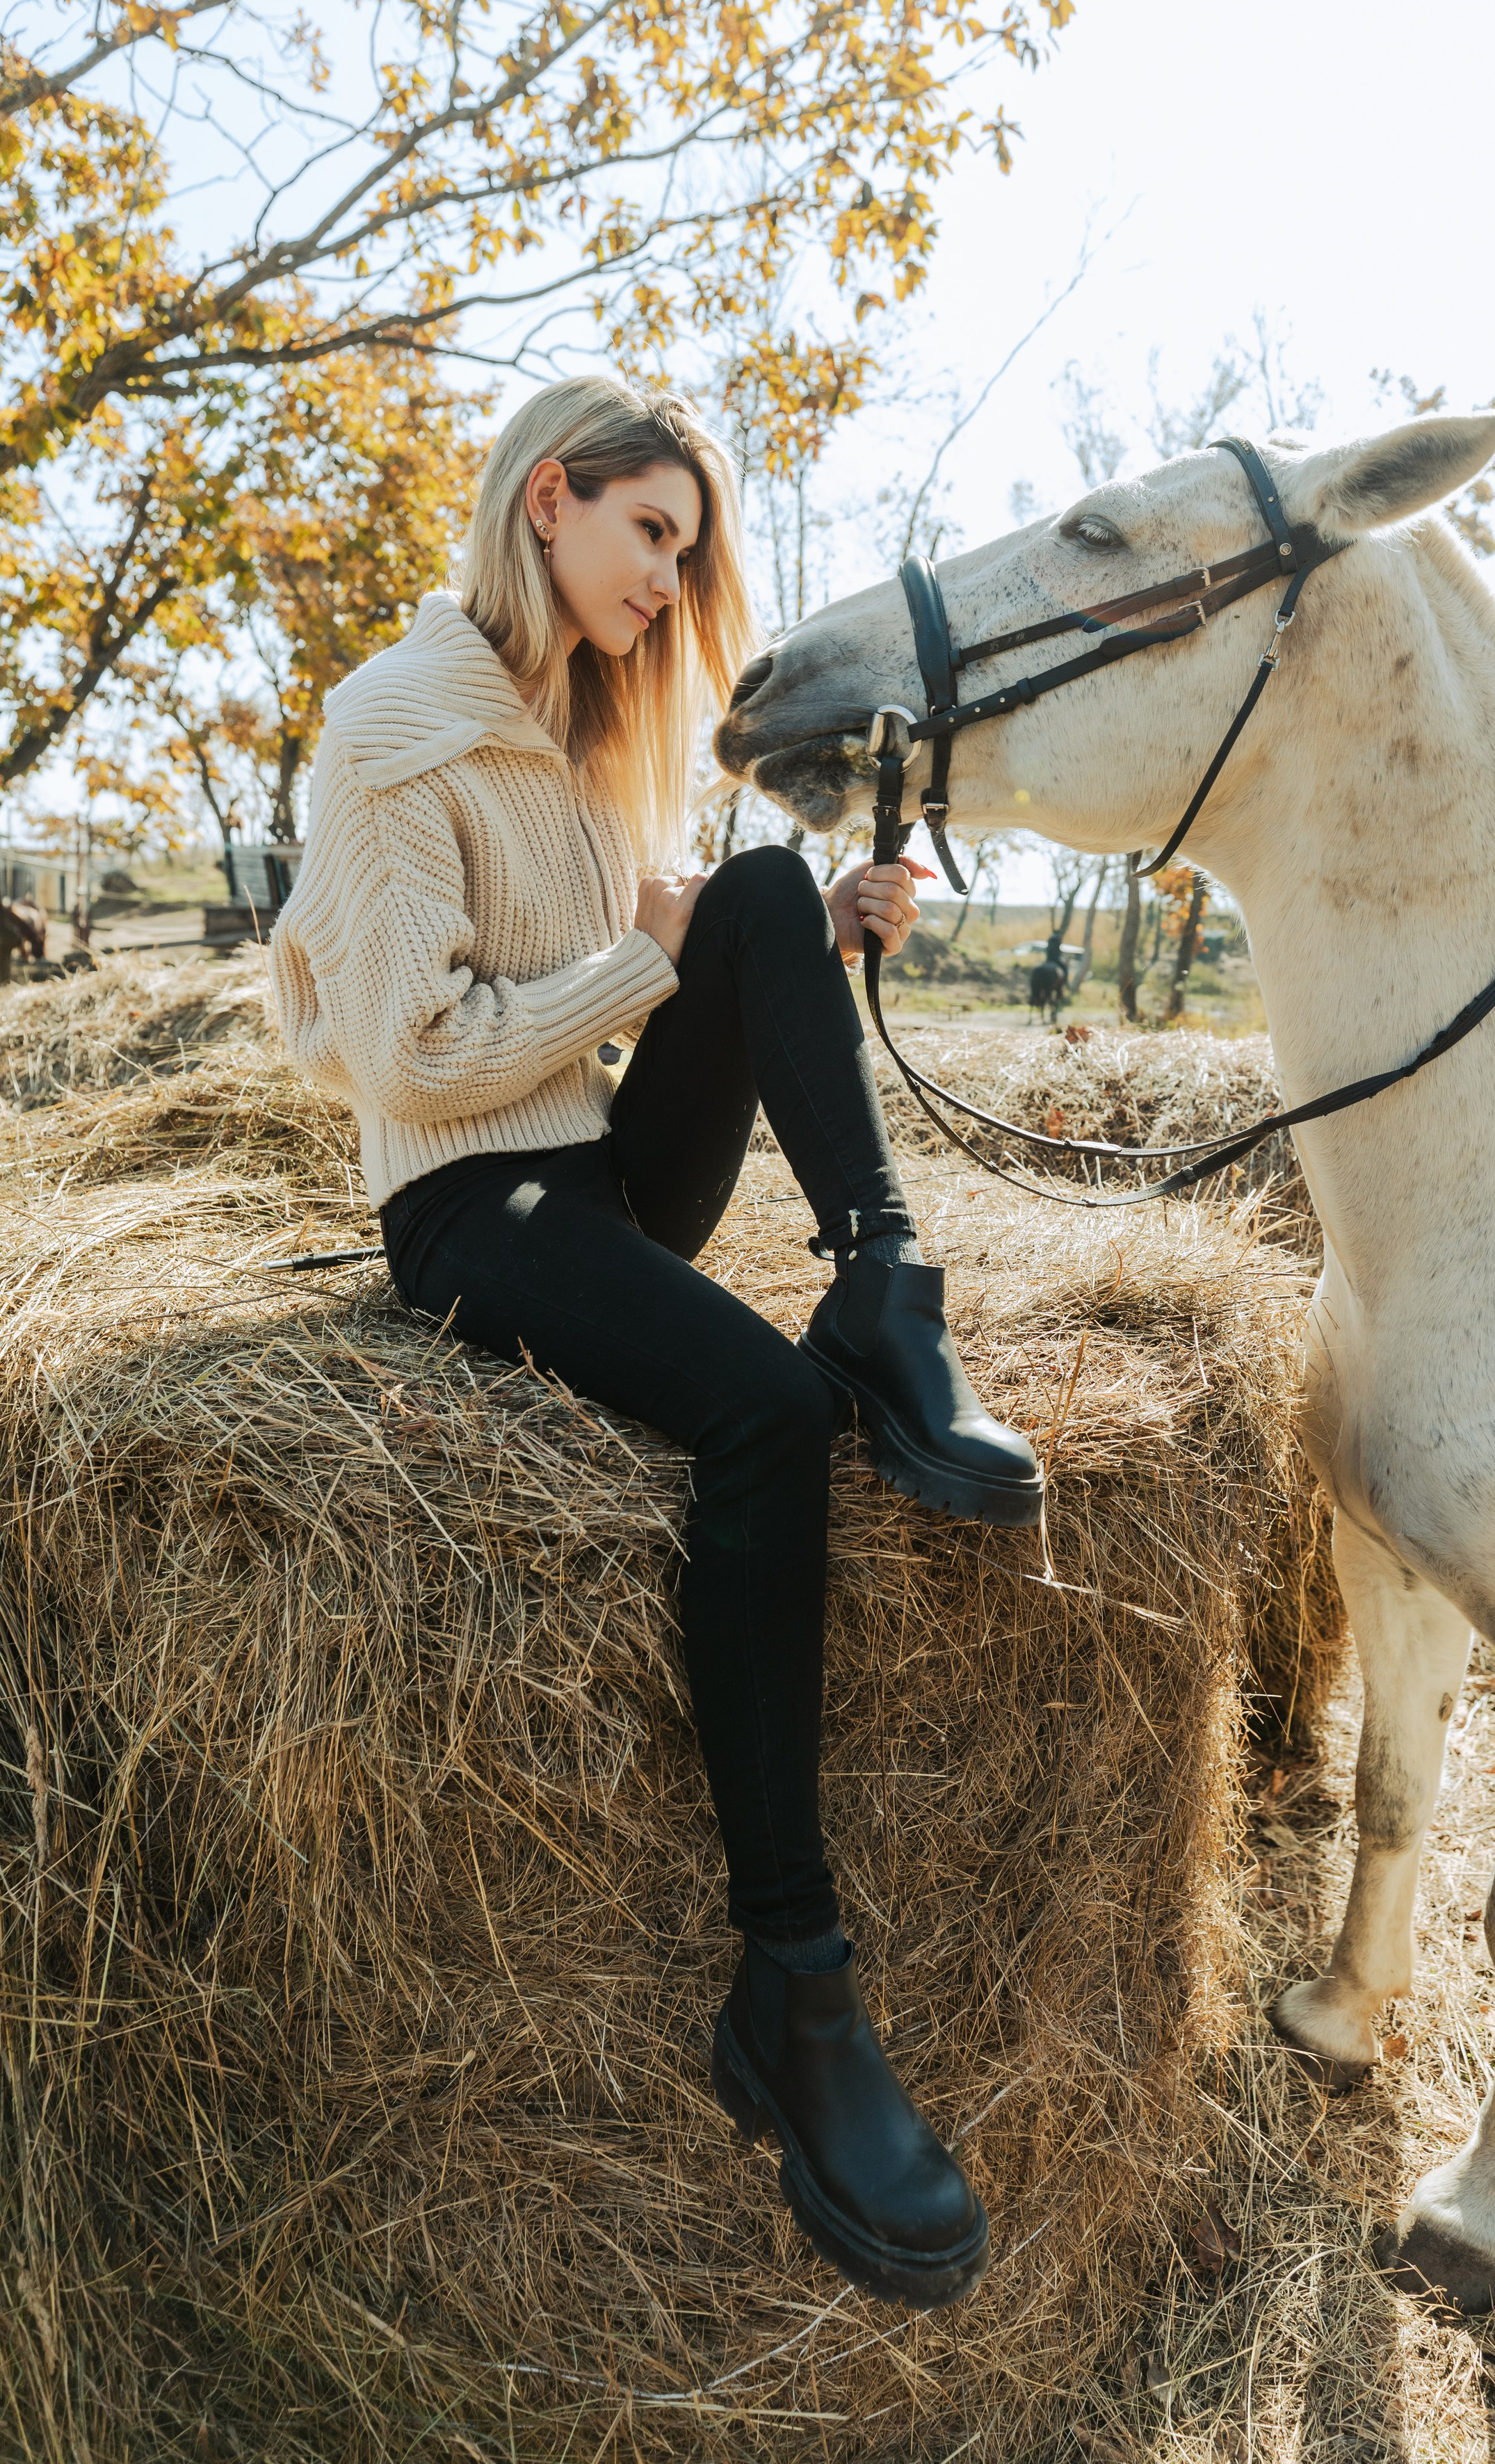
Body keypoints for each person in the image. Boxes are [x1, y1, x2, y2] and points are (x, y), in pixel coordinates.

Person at [268, 375, 1042, 2309]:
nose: (669, 580)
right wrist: (651, 961)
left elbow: (683, 918)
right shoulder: (390, 733)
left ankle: (885, 1275)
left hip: (598, 1174)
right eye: (654, 539)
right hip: (469, 1203)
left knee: (776, 888)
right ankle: (793, 1987)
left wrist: (787, 932)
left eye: (686, 551)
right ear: (553, 502)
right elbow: (419, 1054)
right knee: (765, 1418)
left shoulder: (591, 725)